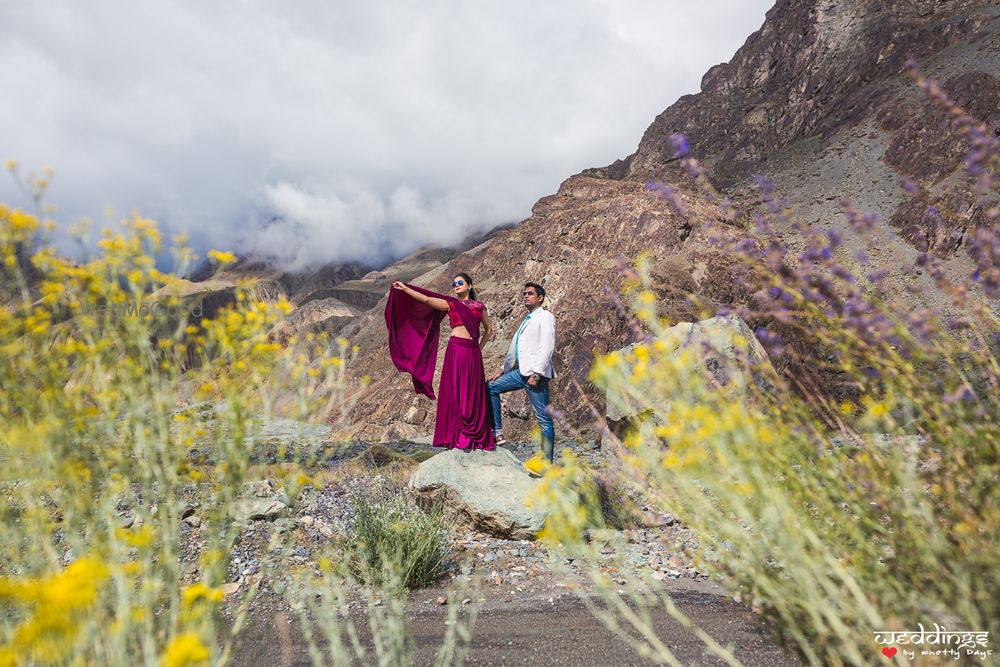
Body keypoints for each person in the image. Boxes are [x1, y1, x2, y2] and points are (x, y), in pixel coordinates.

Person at [386, 272, 495, 450]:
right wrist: (405, 289)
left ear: (470, 285)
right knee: (456, 389)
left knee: (472, 389)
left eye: (459, 282)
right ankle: (458, 436)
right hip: (455, 349)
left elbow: (488, 328)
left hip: (472, 352)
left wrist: (479, 348)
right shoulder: (451, 304)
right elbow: (428, 300)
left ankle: (474, 435)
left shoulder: (480, 306)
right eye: (454, 284)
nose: (456, 285)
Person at [488, 281, 556, 471]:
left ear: (540, 298)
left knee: (543, 420)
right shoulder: (527, 319)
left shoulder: (545, 317)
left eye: (530, 293)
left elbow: (547, 347)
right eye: (524, 294)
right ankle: (498, 433)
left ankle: (546, 463)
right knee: (491, 387)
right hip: (520, 373)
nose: (525, 296)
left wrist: (537, 373)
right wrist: (504, 369)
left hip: (535, 374)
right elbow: (516, 348)